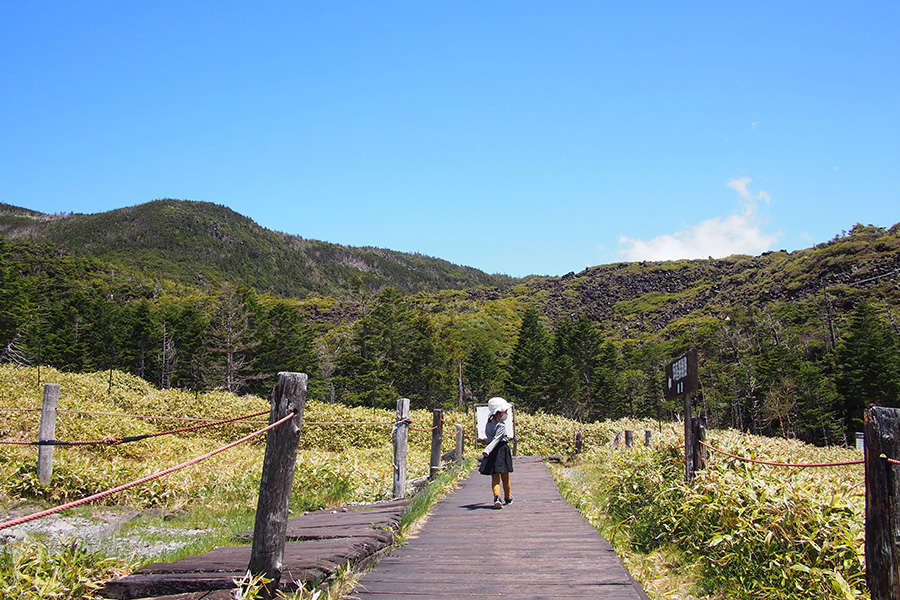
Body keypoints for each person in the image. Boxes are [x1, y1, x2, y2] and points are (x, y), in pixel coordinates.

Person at [479, 396, 514, 509]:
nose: (506, 413)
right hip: (501, 450)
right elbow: (497, 439)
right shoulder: (501, 425)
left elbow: (489, 438)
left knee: (495, 477)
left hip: (492, 453)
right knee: (505, 476)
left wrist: (488, 449)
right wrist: (487, 450)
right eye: (505, 411)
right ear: (499, 413)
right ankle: (507, 497)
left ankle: (497, 497)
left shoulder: (488, 424)